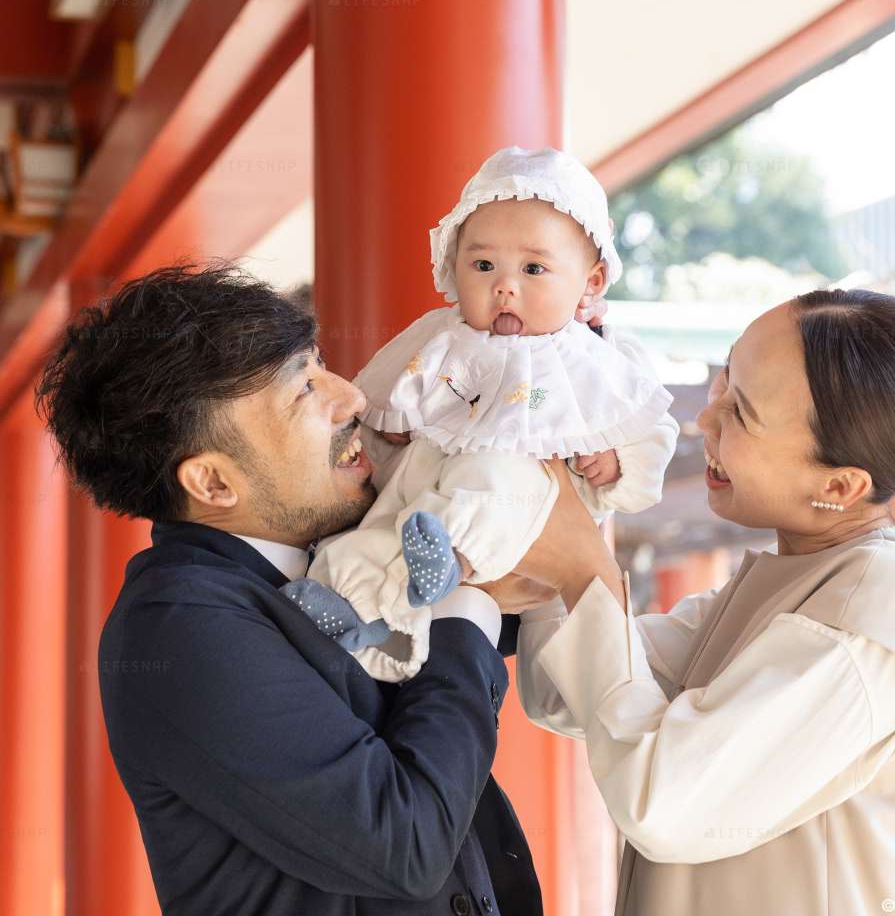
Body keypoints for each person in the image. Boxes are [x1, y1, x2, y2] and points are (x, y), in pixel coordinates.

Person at [35, 263, 585, 916]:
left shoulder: (336, 547)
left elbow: (528, 599)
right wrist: (465, 612)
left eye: (320, 364)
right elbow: (403, 845)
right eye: (304, 393)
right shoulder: (183, 633)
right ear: (213, 483)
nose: (351, 398)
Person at [511, 289, 895, 914]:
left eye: (742, 412)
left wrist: (586, 571)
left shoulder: (879, 608)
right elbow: (561, 688)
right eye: (723, 381)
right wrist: (569, 494)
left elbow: (663, 802)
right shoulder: (802, 577)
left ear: (839, 485)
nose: (705, 420)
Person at [294, 146, 680, 682]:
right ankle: (340, 601)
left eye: (533, 268)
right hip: (427, 473)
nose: (505, 285)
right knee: (383, 523)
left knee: (497, 483)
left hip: (522, 492)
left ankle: (454, 559)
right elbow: (378, 397)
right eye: (483, 265)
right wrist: (389, 427)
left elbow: (650, 432)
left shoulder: (598, 353)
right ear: (453, 264)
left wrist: (616, 464)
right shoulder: (440, 335)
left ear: (590, 281)